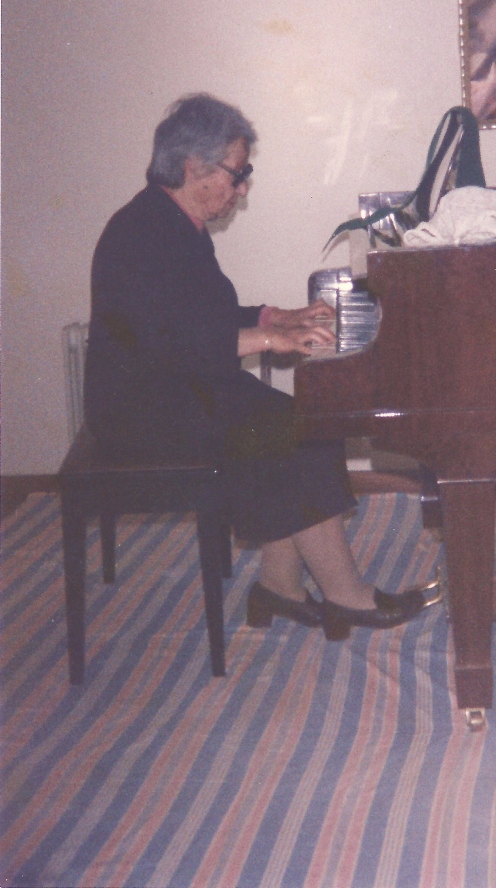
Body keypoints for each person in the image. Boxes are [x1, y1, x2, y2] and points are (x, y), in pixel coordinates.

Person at [84, 93, 436, 641]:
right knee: (289, 430)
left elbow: (201, 316)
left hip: (173, 393)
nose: (243, 188)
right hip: (138, 413)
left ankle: (280, 587)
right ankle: (343, 594)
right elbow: (167, 345)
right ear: (193, 168)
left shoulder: (170, 222)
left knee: (296, 422)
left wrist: (277, 316)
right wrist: (271, 338)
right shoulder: (141, 234)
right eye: (238, 174)